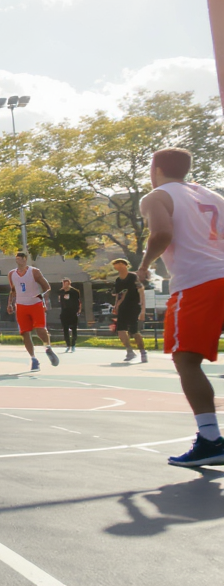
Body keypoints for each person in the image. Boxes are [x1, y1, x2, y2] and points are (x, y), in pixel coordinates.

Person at [135, 147, 224, 467]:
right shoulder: (212, 196)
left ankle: (211, 439)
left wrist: (144, 265)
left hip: (199, 282)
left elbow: (161, 233)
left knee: (186, 360)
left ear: (155, 168)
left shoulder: (156, 196)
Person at [8, 251, 60, 372]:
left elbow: (47, 287)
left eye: (20, 258)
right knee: (25, 332)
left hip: (35, 303)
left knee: (40, 329)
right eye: (16, 259)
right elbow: (13, 290)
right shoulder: (12, 274)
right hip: (21, 305)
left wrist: (44, 299)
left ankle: (47, 347)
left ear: (25, 259)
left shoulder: (34, 272)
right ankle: (33, 359)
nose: (18, 261)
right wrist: (10, 303)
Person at [111, 258, 148, 363]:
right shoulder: (118, 280)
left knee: (134, 331)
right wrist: (116, 306)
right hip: (123, 308)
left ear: (124, 265)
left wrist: (143, 310)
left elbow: (141, 292)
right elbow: (118, 295)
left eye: (118, 264)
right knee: (121, 330)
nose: (116, 267)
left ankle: (143, 352)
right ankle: (129, 351)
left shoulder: (133, 277)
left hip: (134, 307)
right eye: (115, 265)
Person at [56, 279, 80, 353]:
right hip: (64, 312)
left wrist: (78, 310)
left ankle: (73, 344)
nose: (64, 286)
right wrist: (63, 290)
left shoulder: (74, 292)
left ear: (69, 284)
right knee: (65, 329)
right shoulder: (61, 292)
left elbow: (78, 301)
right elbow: (56, 293)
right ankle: (68, 345)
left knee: (74, 329)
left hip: (72, 312)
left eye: (66, 284)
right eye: (63, 284)